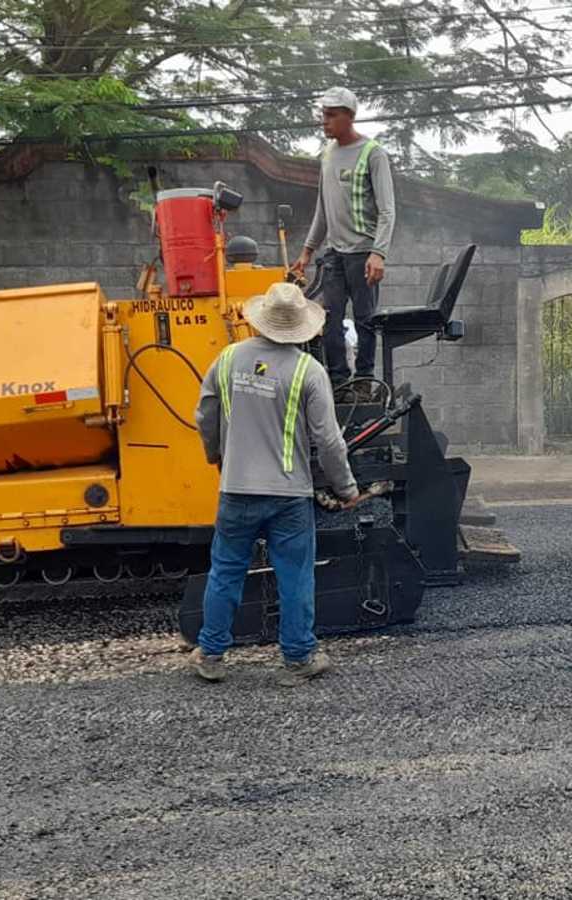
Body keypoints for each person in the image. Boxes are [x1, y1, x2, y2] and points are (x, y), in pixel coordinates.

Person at [191, 282, 360, 686]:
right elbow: (329, 440)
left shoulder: (228, 359)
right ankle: (298, 659)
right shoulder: (309, 371)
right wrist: (347, 488)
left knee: (225, 572)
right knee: (295, 576)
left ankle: (211, 656)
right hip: (289, 498)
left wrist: (216, 456)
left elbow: (204, 415)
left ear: (260, 320)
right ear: (301, 326)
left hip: (236, 491)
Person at [291, 86, 396, 391]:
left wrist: (379, 253)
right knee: (328, 317)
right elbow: (323, 209)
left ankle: (363, 382)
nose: (324, 122)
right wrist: (308, 250)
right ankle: (338, 381)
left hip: (364, 252)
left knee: (365, 321)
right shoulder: (327, 156)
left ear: (349, 117)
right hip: (334, 253)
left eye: (331, 116)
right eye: (323, 115)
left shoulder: (372, 154)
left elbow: (388, 210)